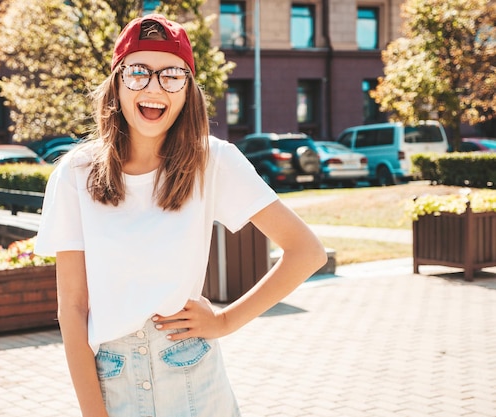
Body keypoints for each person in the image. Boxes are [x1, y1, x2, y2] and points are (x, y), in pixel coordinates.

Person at [35, 13, 327, 417]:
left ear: (188, 90)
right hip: (112, 380)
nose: (154, 87)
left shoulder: (214, 160)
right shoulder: (75, 174)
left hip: (192, 374)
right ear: (117, 84)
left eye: (171, 75)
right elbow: (72, 307)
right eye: (138, 72)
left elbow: (307, 251)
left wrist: (225, 321)